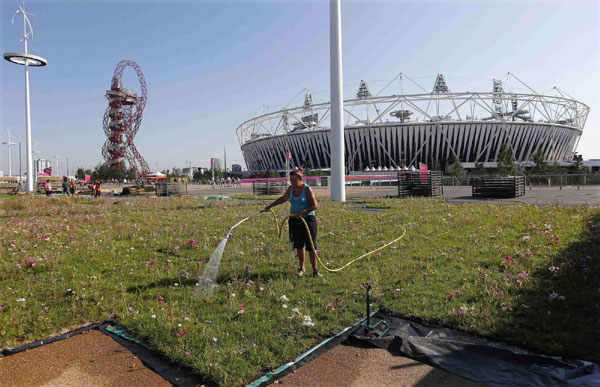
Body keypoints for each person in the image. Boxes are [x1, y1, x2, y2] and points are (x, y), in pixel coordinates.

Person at [263, 167, 321, 277]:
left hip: (307, 220)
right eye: (291, 180)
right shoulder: (291, 189)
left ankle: (315, 270)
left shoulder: (307, 189)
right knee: (298, 244)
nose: (292, 182)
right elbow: (283, 198)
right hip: (294, 220)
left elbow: (315, 205)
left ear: (300, 179)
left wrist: (303, 212)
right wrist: (270, 206)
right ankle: (302, 268)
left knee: (311, 246)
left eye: (295, 180)